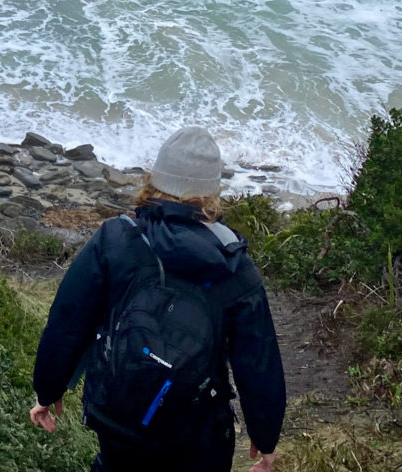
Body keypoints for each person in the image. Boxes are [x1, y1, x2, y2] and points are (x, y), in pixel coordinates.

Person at [28, 127, 285, 472]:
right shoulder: (234, 266)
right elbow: (258, 361)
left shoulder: (116, 239)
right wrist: (265, 437)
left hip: (119, 418)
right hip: (199, 436)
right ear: (211, 193)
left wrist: (48, 390)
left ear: (155, 180)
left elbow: (68, 322)